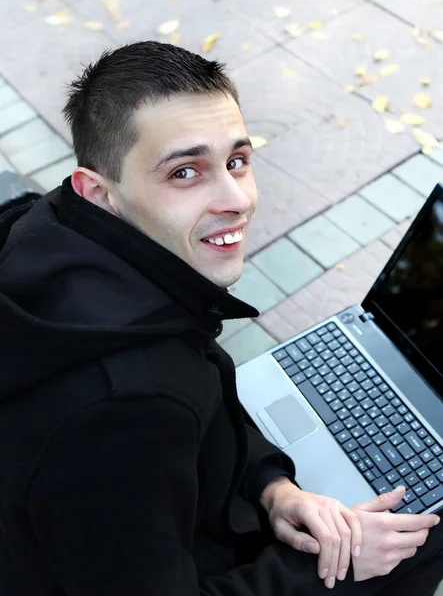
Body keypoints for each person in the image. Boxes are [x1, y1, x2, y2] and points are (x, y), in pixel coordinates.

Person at [0, 41, 442, 596]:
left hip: (150, 518)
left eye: (237, 160)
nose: (236, 199)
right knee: (420, 540)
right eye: (186, 172)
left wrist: (272, 487)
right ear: (100, 193)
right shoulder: (126, 411)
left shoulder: (46, 229)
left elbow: (200, 393)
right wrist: (338, 565)